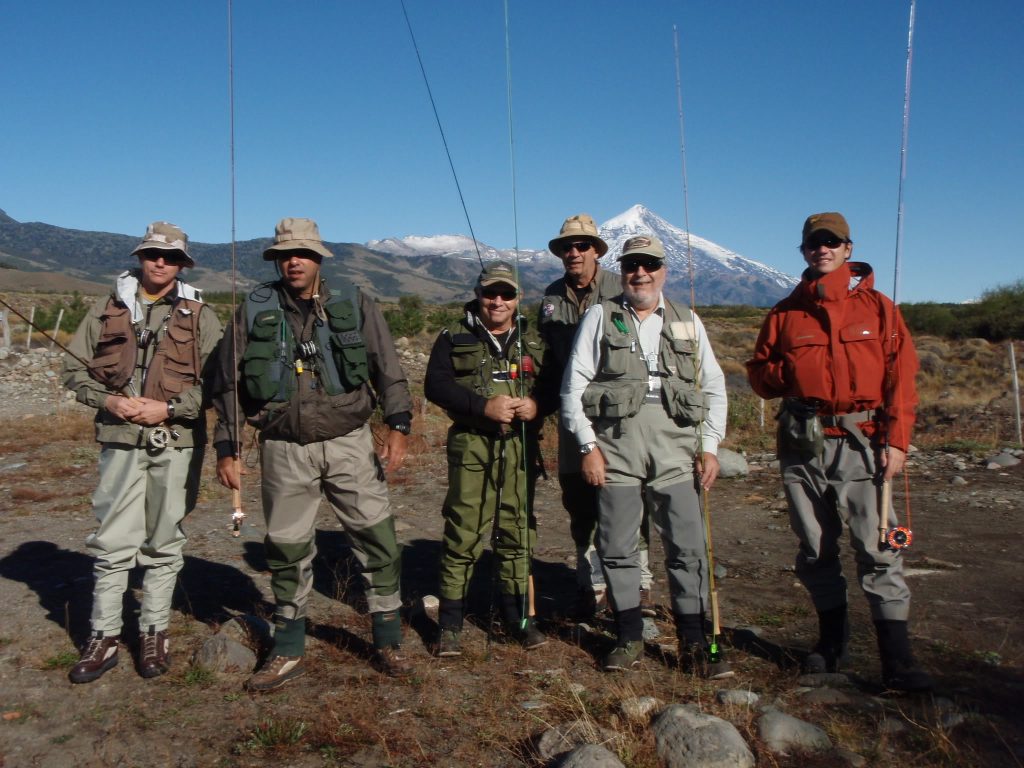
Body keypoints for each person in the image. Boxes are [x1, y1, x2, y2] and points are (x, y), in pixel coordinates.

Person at [212, 217, 414, 691]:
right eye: (285, 254)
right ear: (277, 260)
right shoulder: (253, 308)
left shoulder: (353, 300)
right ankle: (286, 648)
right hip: (282, 447)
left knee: (377, 539)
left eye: (302, 253)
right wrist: (228, 447)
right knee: (285, 548)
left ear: (319, 258)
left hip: (349, 441)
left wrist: (398, 425)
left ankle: (388, 639)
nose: (293, 261)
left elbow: (388, 365)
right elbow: (226, 383)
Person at [746, 212, 931, 692]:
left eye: (832, 242)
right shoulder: (785, 313)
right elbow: (759, 375)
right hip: (802, 443)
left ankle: (898, 660)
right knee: (815, 545)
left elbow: (901, 380)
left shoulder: (880, 309)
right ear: (804, 251)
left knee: (877, 548)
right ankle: (831, 644)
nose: (822, 249)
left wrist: (896, 441)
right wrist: (786, 377)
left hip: (863, 441)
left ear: (849, 249)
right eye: (814, 243)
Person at [562, 234, 732, 677]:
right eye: (633, 264)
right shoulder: (600, 316)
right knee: (616, 546)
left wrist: (710, 446)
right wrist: (588, 447)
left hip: (677, 447)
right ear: (622, 270)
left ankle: (696, 643)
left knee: (689, 547)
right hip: (615, 448)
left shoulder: (688, 319)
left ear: (663, 270)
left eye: (650, 265)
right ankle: (628, 636)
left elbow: (713, 387)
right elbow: (573, 387)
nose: (641, 273)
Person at [62, 221, 222, 683]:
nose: (160, 262)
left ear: (182, 265)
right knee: (113, 541)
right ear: (140, 256)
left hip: (177, 441)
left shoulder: (201, 314)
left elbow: (217, 383)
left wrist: (169, 408)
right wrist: (108, 400)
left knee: (163, 541)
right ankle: (104, 636)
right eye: (153, 253)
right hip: (119, 441)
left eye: (171, 257)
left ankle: (154, 631)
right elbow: (73, 371)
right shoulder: (106, 307)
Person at [425, 261, 556, 656]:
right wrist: (483, 407)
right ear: (478, 295)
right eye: (490, 293)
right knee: (464, 530)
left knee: (517, 529)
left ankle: (518, 618)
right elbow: (436, 385)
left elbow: (555, 383)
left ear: (518, 298)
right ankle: (450, 624)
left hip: (520, 445)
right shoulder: (453, 336)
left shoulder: (536, 338)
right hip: (471, 443)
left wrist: (538, 404)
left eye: (507, 294)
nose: (497, 301)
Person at [539, 214, 654, 618]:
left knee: (627, 501)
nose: (574, 253)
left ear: (597, 251)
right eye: (567, 247)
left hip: (619, 418)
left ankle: (638, 587)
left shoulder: (619, 287)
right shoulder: (551, 296)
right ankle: (593, 584)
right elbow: (549, 360)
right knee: (580, 501)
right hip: (574, 419)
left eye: (582, 246)